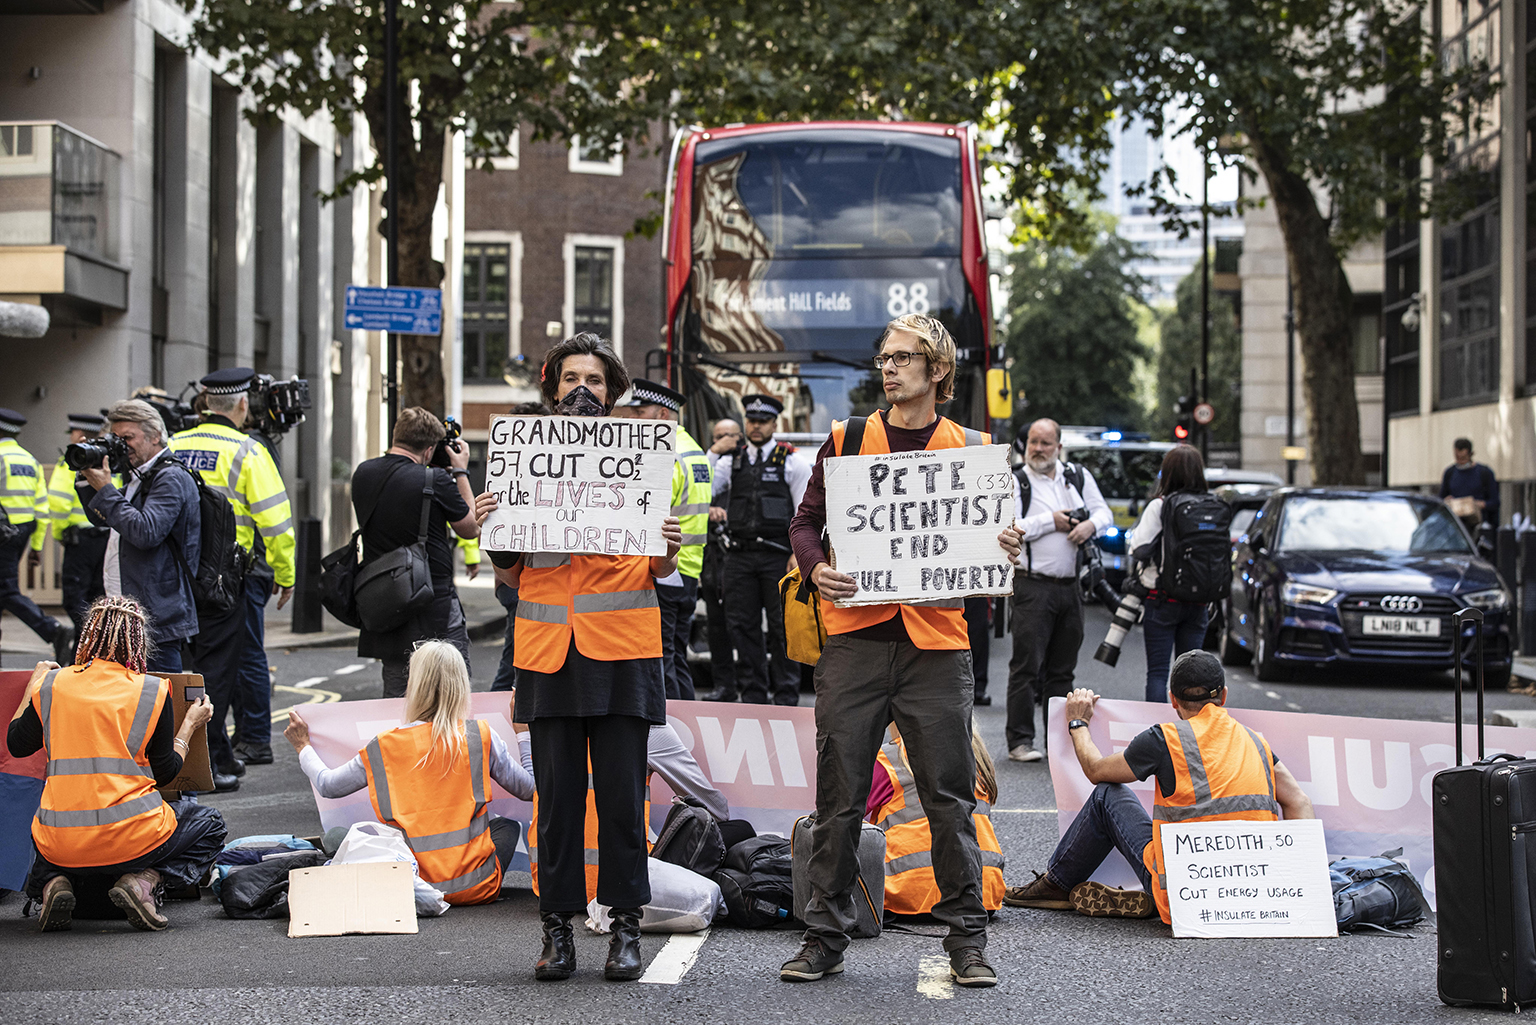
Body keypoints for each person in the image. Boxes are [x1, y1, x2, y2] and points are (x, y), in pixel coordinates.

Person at [781, 313, 1023, 988]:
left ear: (937, 370)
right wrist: (813, 565)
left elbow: (995, 539)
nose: (887, 368)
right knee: (840, 798)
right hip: (855, 641)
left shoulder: (972, 447)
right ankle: (822, 936)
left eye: (902, 358)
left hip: (937, 647)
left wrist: (1007, 545)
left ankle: (968, 943)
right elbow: (804, 521)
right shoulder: (848, 437)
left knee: (949, 800)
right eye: (883, 358)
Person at [482, 332, 682, 983]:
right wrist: (492, 528)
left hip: (623, 655)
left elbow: (661, 566)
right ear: (552, 386)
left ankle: (626, 927)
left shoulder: (645, 458)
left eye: (594, 380)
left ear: (613, 389)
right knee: (558, 805)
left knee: (623, 801)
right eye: (571, 377)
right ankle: (557, 932)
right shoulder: (523, 458)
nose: (581, 390)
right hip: (548, 654)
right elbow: (510, 576)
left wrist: (671, 540)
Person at [1002, 650, 1314, 923]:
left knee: (1107, 794)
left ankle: (1056, 885)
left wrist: (1078, 723)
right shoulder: (1256, 742)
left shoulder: (1165, 738)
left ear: (1172, 699)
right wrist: (1299, 885)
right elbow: (1299, 801)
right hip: (1257, 892)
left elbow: (1096, 771)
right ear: (1224, 696)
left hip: (1186, 889)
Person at [8, 595, 228, 932]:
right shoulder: (152, 690)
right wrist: (191, 724)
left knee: (42, 828)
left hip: (59, 843)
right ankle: (143, 882)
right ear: (139, 641)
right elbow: (166, 771)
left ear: (88, 635)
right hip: (133, 838)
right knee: (210, 823)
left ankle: (52, 883)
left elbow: (16, 745)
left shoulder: (52, 685)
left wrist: (32, 687)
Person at [284, 640, 532, 905]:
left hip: (410, 885)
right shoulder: (480, 736)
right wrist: (522, 732)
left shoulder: (384, 745)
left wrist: (303, 746)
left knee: (336, 838)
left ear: (414, 685)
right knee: (505, 826)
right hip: (478, 888)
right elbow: (530, 789)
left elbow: (328, 785)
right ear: (461, 685)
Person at [169, 368, 296, 771]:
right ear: (243, 404)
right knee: (219, 670)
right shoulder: (247, 451)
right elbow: (275, 523)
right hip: (224, 577)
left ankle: (192, 749)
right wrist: (285, 573)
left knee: (174, 666)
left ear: (206, 402)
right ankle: (210, 755)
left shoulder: (172, 445)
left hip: (174, 573)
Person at [351, 407, 479, 699]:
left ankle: (401, 743)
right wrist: (459, 471)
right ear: (430, 449)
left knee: (398, 692)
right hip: (431, 598)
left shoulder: (364, 474)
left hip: (384, 598)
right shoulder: (435, 480)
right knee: (450, 691)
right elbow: (470, 527)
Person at [1006, 418, 1112, 762]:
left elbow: (1104, 512)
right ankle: (1020, 741)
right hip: (1032, 586)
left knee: (1062, 671)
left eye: (1045, 443)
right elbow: (1009, 526)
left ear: (1058, 446)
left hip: (1070, 587)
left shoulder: (1076, 476)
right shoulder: (1017, 480)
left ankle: (1058, 743)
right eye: (1032, 442)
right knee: (1026, 667)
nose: (1037, 449)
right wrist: (1050, 521)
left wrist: (1090, 526)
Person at [77, 400, 201, 680]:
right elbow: (104, 516)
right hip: (132, 612)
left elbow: (145, 532)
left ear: (155, 435)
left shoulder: (169, 477)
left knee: (160, 708)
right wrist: (88, 477)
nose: (122, 446)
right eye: (116, 439)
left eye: (128, 438)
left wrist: (106, 488)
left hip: (157, 614)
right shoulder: (140, 475)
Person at [714, 394, 811, 706]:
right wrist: (714, 451)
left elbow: (804, 513)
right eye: (751, 421)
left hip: (778, 557)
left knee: (784, 628)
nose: (756, 426)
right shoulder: (731, 461)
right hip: (739, 557)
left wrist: (799, 554)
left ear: (774, 424)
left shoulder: (792, 461)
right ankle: (753, 696)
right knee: (742, 628)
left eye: (763, 421)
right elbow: (703, 487)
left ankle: (786, 697)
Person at [625, 379, 711, 700]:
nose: (631, 418)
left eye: (639, 411)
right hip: (688, 569)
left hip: (666, 570)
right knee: (675, 656)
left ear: (662, 414)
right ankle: (690, 724)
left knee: (660, 661)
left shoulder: (666, 457)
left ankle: (672, 731)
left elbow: (648, 512)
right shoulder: (692, 449)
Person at [868, 723, 1006, 917]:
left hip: (909, 893)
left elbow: (844, 811)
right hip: (983, 895)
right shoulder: (978, 757)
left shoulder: (890, 758)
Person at [1127, 445, 1211, 704]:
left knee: (1159, 673)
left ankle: (1161, 737)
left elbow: (1138, 548)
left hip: (1163, 599)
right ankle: (1193, 732)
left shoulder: (1160, 506)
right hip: (1199, 602)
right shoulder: (1212, 505)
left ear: (1167, 473)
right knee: (1192, 677)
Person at [0, 408, 73, 664]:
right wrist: (36, 546)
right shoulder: (29, 460)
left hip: (2, 533)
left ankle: (53, 630)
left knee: (6, 588)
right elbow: (41, 508)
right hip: (22, 532)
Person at [489, 400, 550, 694]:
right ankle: (498, 724)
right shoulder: (506, 473)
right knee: (515, 660)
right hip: (516, 582)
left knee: (520, 657)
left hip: (545, 584)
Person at [38, 413, 112, 634]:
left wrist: (61, 534)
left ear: (79, 434)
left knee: (74, 597)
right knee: (98, 597)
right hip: (107, 538)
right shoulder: (107, 459)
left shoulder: (75, 459)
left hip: (81, 540)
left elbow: (59, 503)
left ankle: (91, 640)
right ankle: (92, 648)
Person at [699, 418, 741, 701]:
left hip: (746, 556)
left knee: (747, 625)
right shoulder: (711, 463)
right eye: (719, 436)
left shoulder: (749, 462)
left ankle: (758, 689)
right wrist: (713, 452)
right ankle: (724, 685)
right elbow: (702, 487)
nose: (725, 441)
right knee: (717, 624)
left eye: (730, 436)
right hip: (715, 556)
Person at [1441, 437, 1499, 529]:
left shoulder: (1484, 473)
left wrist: (1480, 504)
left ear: (1470, 454)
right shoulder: (1450, 473)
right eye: (1457, 458)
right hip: (1455, 525)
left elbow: (1495, 502)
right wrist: (1446, 501)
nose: (1460, 462)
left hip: (1479, 525)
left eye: (1463, 458)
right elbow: (1441, 497)